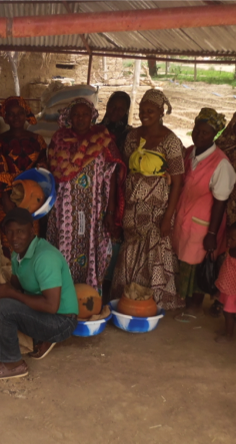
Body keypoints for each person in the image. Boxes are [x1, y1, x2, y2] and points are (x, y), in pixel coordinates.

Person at [0, 208, 78, 380]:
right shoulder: (17, 253)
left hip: (62, 321)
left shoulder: (44, 258)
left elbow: (51, 306)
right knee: (3, 304)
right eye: (9, 232)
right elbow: (16, 289)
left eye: (20, 232)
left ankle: (13, 365)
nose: (14, 238)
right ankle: (42, 339)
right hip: (47, 313)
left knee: (4, 309)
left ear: (32, 230)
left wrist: (10, 294)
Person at [110, 89, 183, 309]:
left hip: (157, 211)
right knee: (131, 250)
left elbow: (178, 182)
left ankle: (155, 301)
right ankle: (129, 299)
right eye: (142, 110)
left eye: (150, 110)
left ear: (161, 112)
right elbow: (124, 171)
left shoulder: (170, 140)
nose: (145, 114)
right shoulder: (132, 137)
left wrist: (168, 216)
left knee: (155, 252)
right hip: (133, 208)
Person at [47, 98, 126, 291]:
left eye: (84, 114)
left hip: (94, 208)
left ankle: (89, 293)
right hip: (65, 208)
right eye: (76, 114)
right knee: (63, 249)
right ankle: (63, 293)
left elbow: (113, 174)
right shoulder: (59, 139)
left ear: (92, 116)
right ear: (69, 117)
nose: (80, 118)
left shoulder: (103, 139)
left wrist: (110, 211)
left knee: (91, 248)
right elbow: (51, 173)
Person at [172, 108, 236, 318]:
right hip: (185, 219)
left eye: (205, 133)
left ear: (214, 134)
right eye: (196, 131)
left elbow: (220, 202)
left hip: (204, 225)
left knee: (197, 265)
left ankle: (194, 306)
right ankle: (184, 302)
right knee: (183, 261)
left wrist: (211, 234)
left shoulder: (220, 163)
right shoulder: (190, 152)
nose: (199, 136)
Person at [0, 96, 47, 257]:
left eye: (20, 113)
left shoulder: (38, 140)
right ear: (4, 117)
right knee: (9, 241)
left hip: (32, 198)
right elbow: (2, 173)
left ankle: (28, 279)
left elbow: (43, 170)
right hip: (8, 197)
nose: (16, 117)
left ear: (27, 113)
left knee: (29, 240)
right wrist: (6, 199)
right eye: (11, 114)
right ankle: (10, 279)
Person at [97, 91, 132, 300]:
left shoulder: (130, 134)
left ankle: (109, 288)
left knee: (114, 236)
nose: (116, 112)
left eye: (121, 108)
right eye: (113, 106)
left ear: (127, 111)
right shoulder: (96, 131)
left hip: (119, 192)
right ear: (106, 106)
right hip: (95, 191)